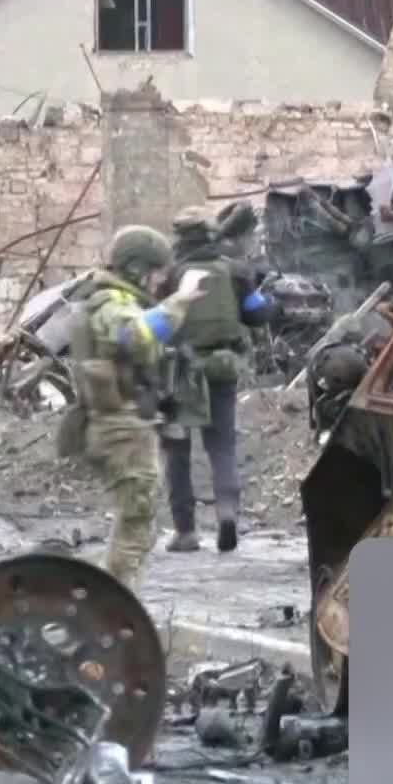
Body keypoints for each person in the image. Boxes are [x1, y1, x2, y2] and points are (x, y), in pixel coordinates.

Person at [67, 225, 214, 592]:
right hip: (120, 426)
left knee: (137, 524)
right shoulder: (111, 304)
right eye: (155, 272)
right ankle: (112, 606)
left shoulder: (110, 300)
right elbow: (134, 337)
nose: (158, 281)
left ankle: (111, 599)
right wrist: (179, 300)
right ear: (136, 268)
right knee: (135, 525)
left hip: (122, 423)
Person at [156, 206, 276, 554]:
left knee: (176, 450)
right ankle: (227, 514)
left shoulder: (169, 274)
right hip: (223, 366)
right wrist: (269, 300)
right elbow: (257, 315)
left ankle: (186, 531)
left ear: (179, 237)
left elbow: (157, 320)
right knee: (221, 446)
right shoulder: (236, 271)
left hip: (179, 371)